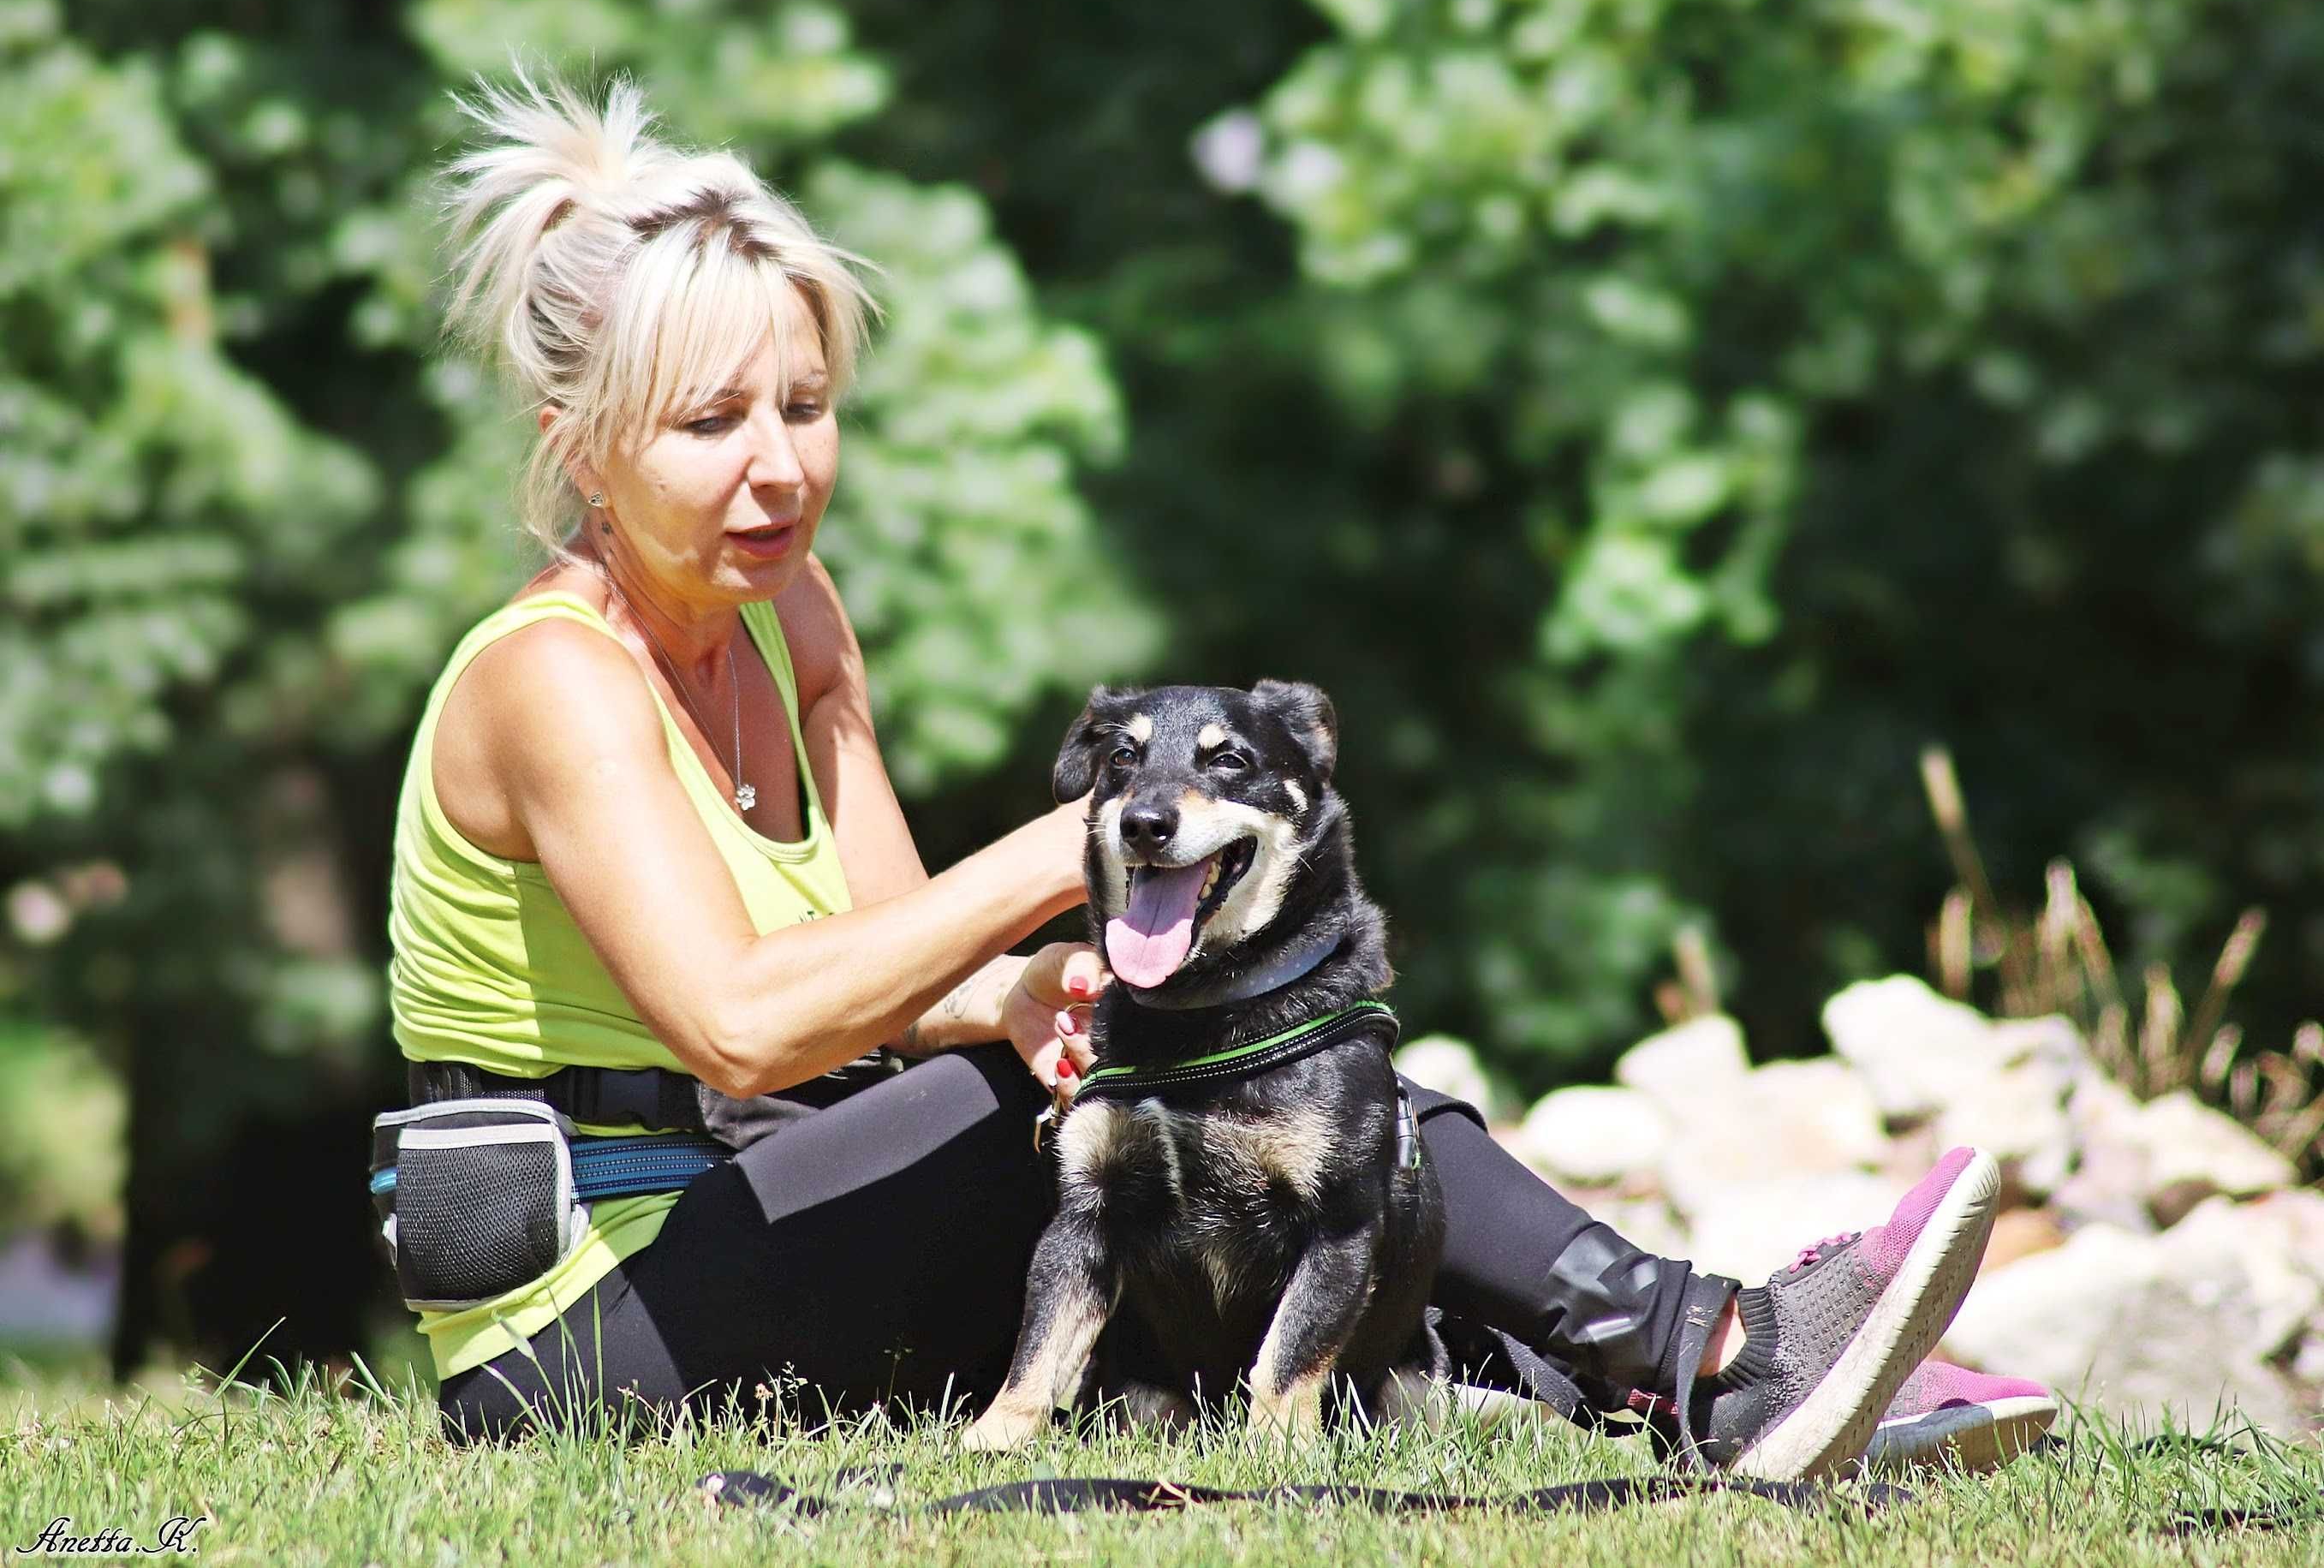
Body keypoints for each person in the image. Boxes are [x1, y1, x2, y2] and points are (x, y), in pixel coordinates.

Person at [384, 72, 2053, 1476]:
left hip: (781, 1239)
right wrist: (1070, 856)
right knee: (1168, 1087)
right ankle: (1716, 1345)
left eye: (805, 406)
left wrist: (1030, 991)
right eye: (707, 423)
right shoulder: (552, 682)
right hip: (579, 1347)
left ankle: (1705, 1382)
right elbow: (746, 1024)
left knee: (1197, 1051)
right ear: (578, 437)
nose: (776, 467)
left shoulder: (783, 615)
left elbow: (902, 975)